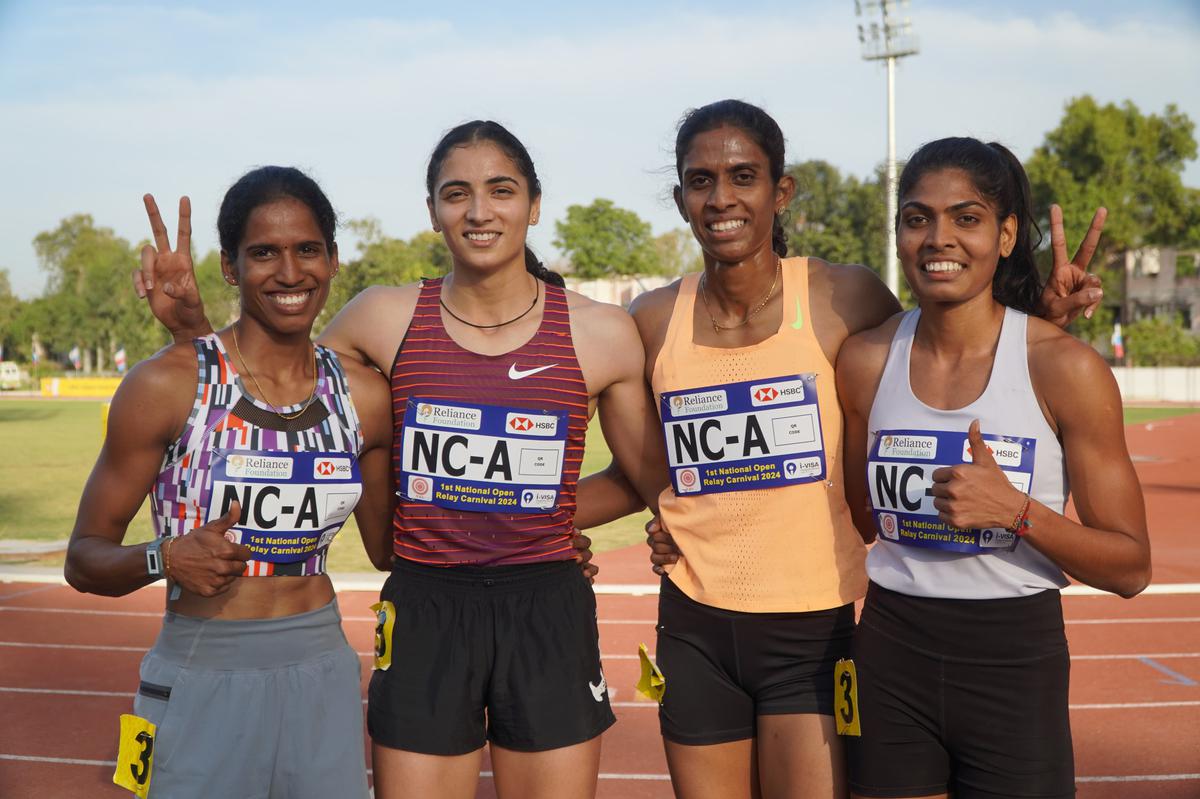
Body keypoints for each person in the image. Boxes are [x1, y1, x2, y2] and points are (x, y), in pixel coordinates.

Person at [133, 121, 666, 799]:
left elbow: (646, 477)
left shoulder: (600, 332)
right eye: (456, 193)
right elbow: (276, 385)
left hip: (546, 606)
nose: (478, 210)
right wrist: (191, 332)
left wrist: (552, 514)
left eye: (501, 190)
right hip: (425, 605)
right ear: (433, 211)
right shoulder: (381, 319)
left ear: (533, 204)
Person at [626, 101, 1108, 799]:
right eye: (701, 180)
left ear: (780, 190)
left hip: (816, 626)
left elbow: (959, 335)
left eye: (742, 175)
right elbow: (653, 461)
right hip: (696, 619)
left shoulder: (843, 296)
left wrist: (1040, 316)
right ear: (680, 197)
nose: (722, 197)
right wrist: (649, 516)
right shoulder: (649, 319)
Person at [835, 136, 1150, 799]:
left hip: (1013, 661)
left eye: (966, 218)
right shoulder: (864, 361)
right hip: (890, 651)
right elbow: (862, 519)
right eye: (917, 217)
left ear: (1007, 235)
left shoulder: (1064, 368)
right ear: (897, 235)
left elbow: (1130, 566)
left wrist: (1016, 511)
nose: (937, 237)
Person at [65, 166, 395, 799]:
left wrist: (540, 541)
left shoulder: (364, 395)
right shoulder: (164, 385)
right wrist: (165, 556)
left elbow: (390, 548)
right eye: (263, 252)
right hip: (200, 666)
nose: (290, 272)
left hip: (321, 668)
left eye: (307, 250)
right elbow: (84, 558)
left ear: (332, 259)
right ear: (228, 266)